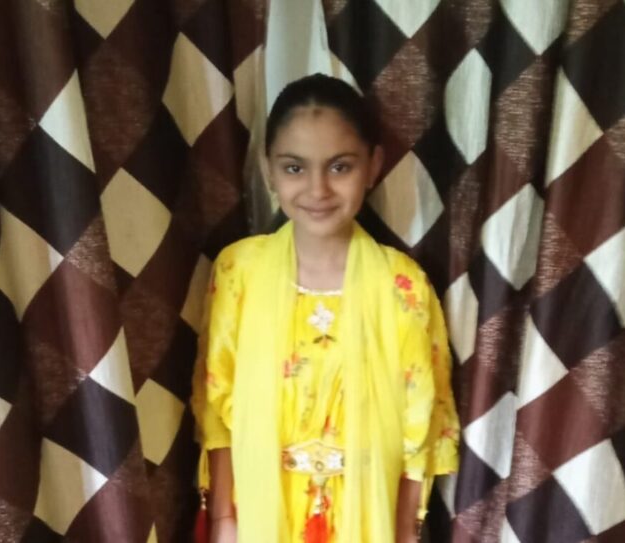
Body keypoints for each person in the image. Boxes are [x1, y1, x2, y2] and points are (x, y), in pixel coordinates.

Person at [190, 73, 459, 543]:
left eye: (340, 167)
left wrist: (403, 529)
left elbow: (423, 424)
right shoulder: (239, 272)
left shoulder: (403, 286)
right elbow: (218, 410)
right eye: (295, 168)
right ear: (269, 169)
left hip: (368, 517)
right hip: (259, 514)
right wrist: (223, 522)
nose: (317, 190)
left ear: (373, 166)